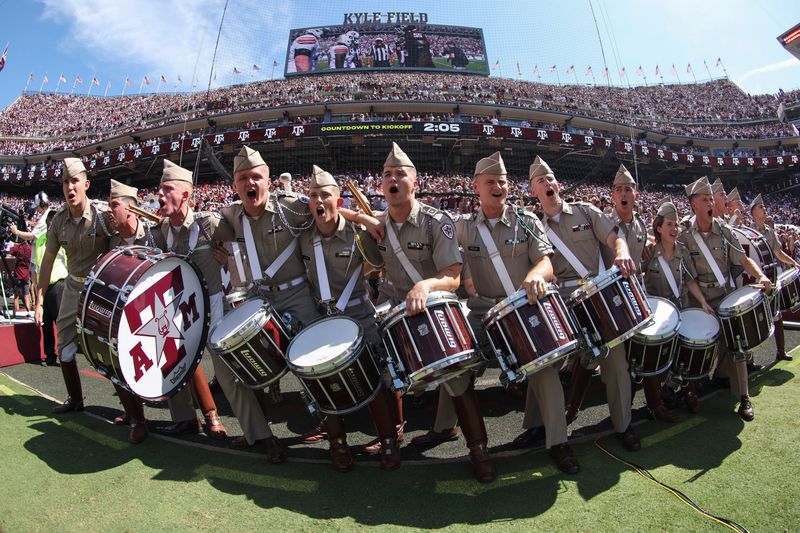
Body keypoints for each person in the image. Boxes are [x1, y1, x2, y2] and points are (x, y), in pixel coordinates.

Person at [419, 152, 579, 473]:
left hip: (522, 309)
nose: (497, 187)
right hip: (482, 316)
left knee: (545, 367)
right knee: (455, 361)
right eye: (490, 182)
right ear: (476, 186)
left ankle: (556, 440)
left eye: (502, 182)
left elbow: (545, 261)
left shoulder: (527, 221)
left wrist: (536, 275)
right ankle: (445, 426)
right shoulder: (462, 227)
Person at [374, 142, 496, 483]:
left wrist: (425, 287)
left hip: (433, 306)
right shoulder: (378, 225)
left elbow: (453, 278)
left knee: (455, 374)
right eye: (387, 175)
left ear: (415, 183)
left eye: (401, 174)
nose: (393, 179)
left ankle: (479, 449)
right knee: (379, 368)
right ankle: (388, 440)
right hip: (395, 310)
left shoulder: (434, 221)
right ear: (380, 185)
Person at [529, 156, 642, 452]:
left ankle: (623, 425)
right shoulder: (533, 228)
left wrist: (622, 252)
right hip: (560, 302)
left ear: (559, 184)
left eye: (551, 178)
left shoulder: (586, 211)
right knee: (544, 360)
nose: (548, 183)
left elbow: (615, 238)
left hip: (594, 295)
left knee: (616, 362)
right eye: (541, 181)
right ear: (533, 191)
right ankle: (540, 428)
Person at [298, 165, 400, 471]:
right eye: (313, 196)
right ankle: (337, 442)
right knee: (321, 381)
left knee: (376, 376)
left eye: (325, 195)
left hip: (358, 315)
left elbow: (380, 262)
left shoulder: (358, 234)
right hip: (323, 317)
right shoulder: (302, 235)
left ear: (338, 199)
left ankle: (391, 438)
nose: (319, 201)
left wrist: (362, 218)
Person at [679, 177, 772, 421]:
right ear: (693, 205)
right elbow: (688, 277)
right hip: (699, 298)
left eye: (712, 198)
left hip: (723, 295)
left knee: (737, 343)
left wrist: (761, 275)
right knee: (694, 340)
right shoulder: (686, 236)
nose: (711, 202)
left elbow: (743, 260)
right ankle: (690, 386)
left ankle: (744, 397)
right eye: (705, 199)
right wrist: (701, 302)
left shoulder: (724, 230)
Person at [148, 162, 229, 441]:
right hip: (180, 308)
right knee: (173, 357)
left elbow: (240, 246)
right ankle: (188, 419)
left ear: (186, 195)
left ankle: (245, 423)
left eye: (167, 189)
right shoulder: (159, 232)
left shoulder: (209, 223)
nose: (160, 195)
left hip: (214, 303)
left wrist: (229, 259)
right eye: (160, 189)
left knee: (224, 365)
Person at [35, 158, 112, 415]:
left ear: (86, 184)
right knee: (63, 346)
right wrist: (39, 300)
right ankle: (75, 399)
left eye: (75, 181)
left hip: (100, 291)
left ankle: (134, 414)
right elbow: (47, 260)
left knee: (111, 349)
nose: (70, 187)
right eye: (66, 182)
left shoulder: (102, 216)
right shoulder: (58, 220)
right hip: (72, 288)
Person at [643, 201, 715, 413]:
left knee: (684, 354)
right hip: (657, 316)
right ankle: (657, 402)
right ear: (658, 227)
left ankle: (688, 390)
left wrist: (702, 302)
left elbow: (691, 280)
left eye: (676, 225)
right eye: (669, 225)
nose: (674, 229)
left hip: (680, 309)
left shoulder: (682, 251)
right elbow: (638, 277)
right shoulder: (649, 252)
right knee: (657, 359)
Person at [104, 178, 150, 443]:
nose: (109, 210)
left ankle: (205, 416)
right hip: (126, 314)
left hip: (156, 309)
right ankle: (136, 418)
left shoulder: (154, 233)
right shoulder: (112, 243)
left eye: (115, 205)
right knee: (114, 360)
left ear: (131, 209)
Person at [750, 194, 799, 362]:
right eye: (760, 207)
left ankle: (781, 351)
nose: (764, 209)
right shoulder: (747, 231)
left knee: (777, 314)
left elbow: (778, 253)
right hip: (755, 280)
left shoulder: (770, 231)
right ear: (753, 212)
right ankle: (750, 359)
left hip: (771, 276)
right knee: (754, 318)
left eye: (764, 206)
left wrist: (792, 261)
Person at [9, 236, 31, 319]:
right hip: (26, 275)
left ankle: (16, 313)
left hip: (18, 274)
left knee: (16, 296)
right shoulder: (30, 248)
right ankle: (28, 312)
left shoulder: (18, 247)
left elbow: (10, 251)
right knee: (26, 295)